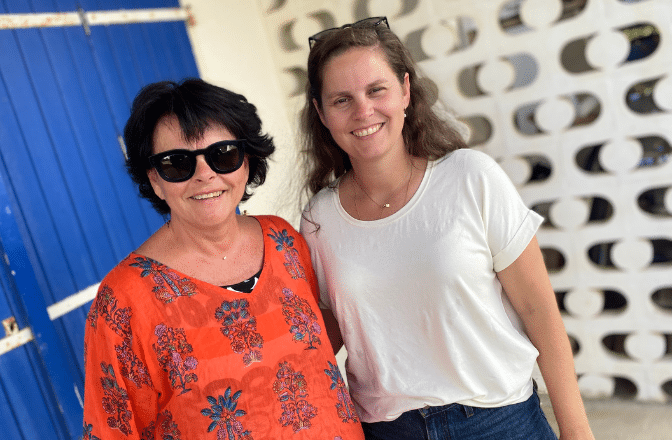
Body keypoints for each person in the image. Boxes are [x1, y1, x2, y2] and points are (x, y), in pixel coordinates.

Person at [299, 17, 595, 440]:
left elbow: (538, 311)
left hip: (501, 422)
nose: (363, 111)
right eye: (341, 99)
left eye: (376, 90)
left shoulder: (471, 178)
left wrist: (577, 428)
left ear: (404, 90)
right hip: (387, 430)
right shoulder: (318, 220)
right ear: (321, 113)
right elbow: (323, 338)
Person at [82, 78, 364, 439]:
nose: (205, 175)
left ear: (247, 161)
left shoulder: (284, 241)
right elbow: (112, 430)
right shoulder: (123, 300)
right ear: (154, 179)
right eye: (177, 163)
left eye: (223, 154)